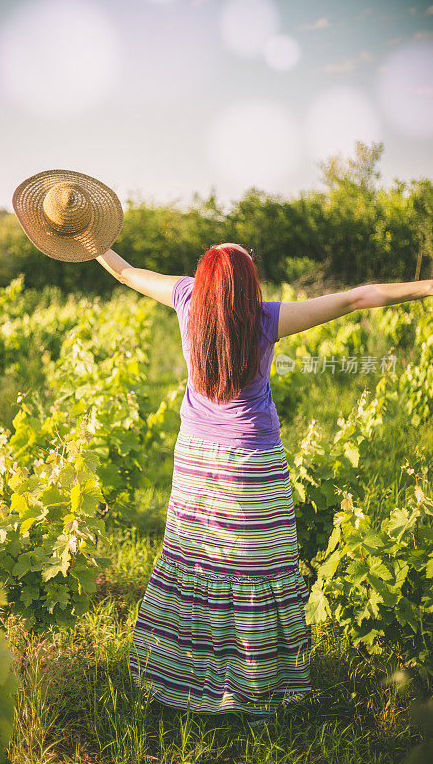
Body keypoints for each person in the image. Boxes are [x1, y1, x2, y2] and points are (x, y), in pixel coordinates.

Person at [96, 243, 432, 723]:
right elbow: (357, 298)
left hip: (194, 457)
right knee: (253, 571)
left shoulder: (187, 299)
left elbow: (127, 273)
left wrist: (90, 240)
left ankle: (183, 679)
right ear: (248, 283)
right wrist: (425, 287)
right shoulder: (264, 318)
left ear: (206, 278)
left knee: (196, 561)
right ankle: (253, 689)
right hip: (251, 462)